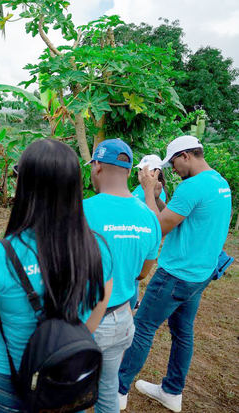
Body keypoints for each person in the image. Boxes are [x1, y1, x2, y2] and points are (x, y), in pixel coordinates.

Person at [0, 139, 113, 412]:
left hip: (1, 386)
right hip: (63, 385)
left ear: (24, 187)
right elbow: (89, 325)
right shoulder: (99, 251)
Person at [118, 135, 232, 412]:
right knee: (183, 332)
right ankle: (172, 391)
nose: (172, 170)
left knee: (143, 327)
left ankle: (118, 390)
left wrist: (146, 191)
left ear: (186, 156)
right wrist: (156, 198)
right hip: (200, 274)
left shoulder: (191, 188)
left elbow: (157, 228)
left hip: (176, 274)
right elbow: (172, 218)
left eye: (173, 163)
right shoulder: (220, 183)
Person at [84, 139, 162, 413]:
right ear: (130, 171)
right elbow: (142, 272)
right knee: (107, 392)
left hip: (88, 322)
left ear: (97, 167)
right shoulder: (149, 217)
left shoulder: (82, 211)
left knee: (71, 395)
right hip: (123, 320)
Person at [130, 154, 167, 310]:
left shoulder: (157, 191)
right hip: (132, 235)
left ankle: (131, 304)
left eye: (145, 170)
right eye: (139, 170)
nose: (141, 174)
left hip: (141, 239)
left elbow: (157, 219)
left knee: (134, 275)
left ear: (156, 173)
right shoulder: (140, 188)